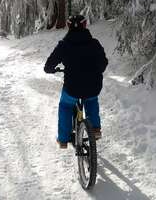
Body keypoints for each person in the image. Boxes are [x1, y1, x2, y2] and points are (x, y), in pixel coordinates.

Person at [44, 15, 108, 149]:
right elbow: (103, 63)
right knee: (91, 100)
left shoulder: (64, 45)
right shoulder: (94, 43)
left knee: (66, 106)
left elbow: (49, 65)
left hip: (72, 87)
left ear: (68, 27)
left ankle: (63, 139)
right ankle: (95, 129)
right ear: (85, 26)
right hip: (93, 85)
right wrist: (96, 71)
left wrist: (51, 70)